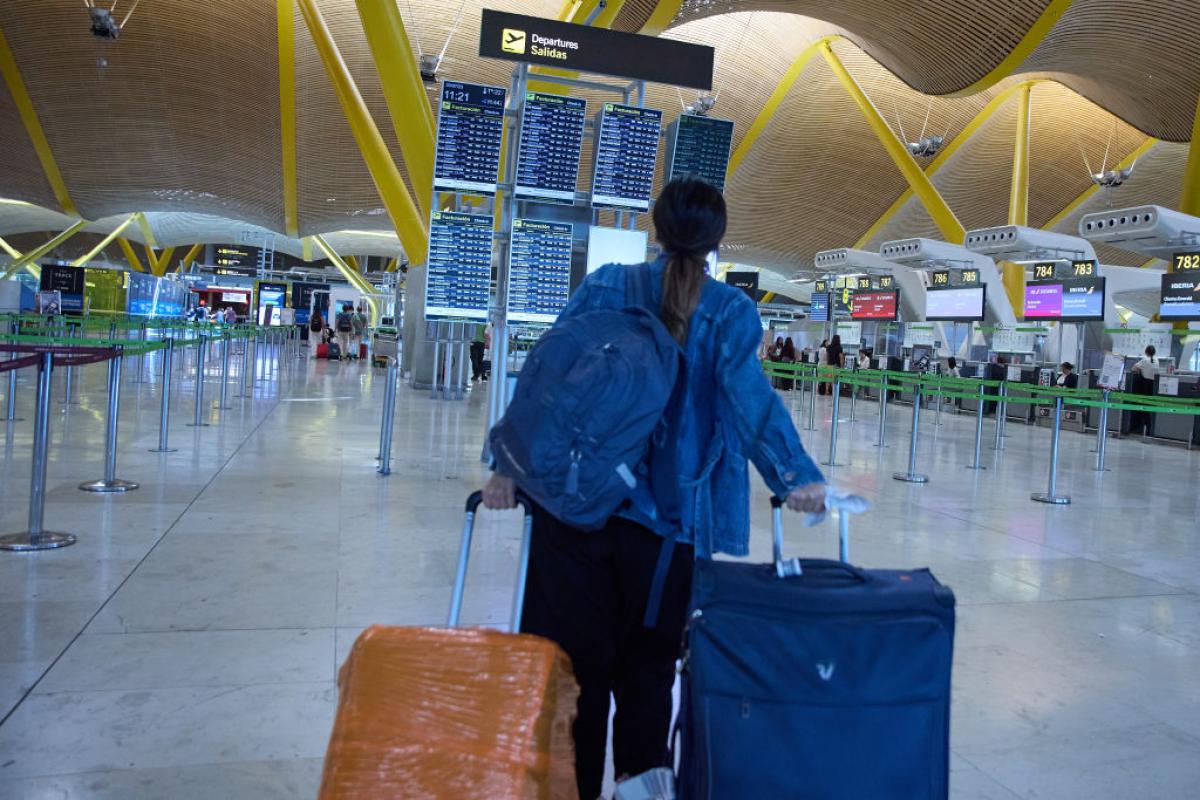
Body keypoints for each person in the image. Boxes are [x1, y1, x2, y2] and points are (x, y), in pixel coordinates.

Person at [481, 177, 826, 800]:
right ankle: (641, 789)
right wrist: (795, 477)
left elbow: (546, 380)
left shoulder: (607, 284)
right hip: (667, 528)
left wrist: (507, 465)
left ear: (653, 226)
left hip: (574, 513)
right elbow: (751, 403)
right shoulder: (728, 311)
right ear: (717, 242)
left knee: (570, 677)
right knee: (646, 681)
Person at [1129, 345, 1157, 434]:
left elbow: (1133, 369)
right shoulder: (1156, 360)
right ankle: (1149, 429)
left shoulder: (1144, 360)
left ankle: (1141, 428)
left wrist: (1138, 371)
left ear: (1146, 352)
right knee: (1149, 408)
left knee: (1142, 407)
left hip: (1144, 386)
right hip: (1153, 386)